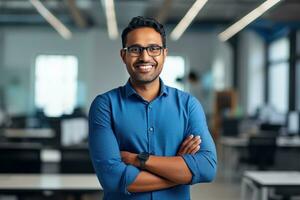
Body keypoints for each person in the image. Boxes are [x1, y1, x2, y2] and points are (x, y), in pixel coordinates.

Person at [89, 16, 217, 200]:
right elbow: (113, 179)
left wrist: (138, 159)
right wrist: (178, 170)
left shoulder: (188, 105)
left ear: (164, 53)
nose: (145, 57)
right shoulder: (104, 106)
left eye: (154, 48)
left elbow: (207, 168)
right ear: (123, 55)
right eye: (135, 49)